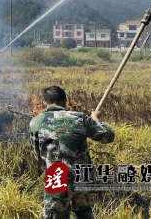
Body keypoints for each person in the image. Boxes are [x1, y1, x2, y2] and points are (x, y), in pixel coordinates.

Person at [29, 86, 115, 219]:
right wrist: (96, 119)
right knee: (83, 212)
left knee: (55, 216)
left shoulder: (35, 122)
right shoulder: (79, 118)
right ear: (65, 101)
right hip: (82, 179)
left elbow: (37, 154)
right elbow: (108, 136)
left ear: (44, 103)